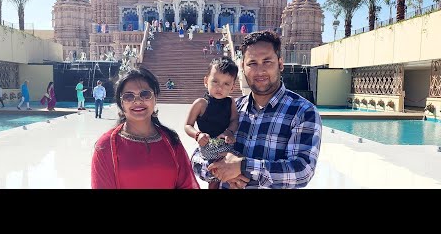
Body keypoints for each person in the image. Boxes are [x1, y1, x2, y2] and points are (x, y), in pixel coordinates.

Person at [191, 30, 322, 189]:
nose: (260, 71)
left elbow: (302, 171)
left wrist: (243, 167)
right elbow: (197, 159)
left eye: (267, 61)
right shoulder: (233, 107)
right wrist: (220, 170)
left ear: (280, 64)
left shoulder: (302, 112)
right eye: (252, 63)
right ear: (242, 67)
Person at [91, 67, 200, 189]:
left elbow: (187, 185)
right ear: (121, 103)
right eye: (128, 96)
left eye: (145, 94)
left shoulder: (170, 140)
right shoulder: (107, 146)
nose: (137, 101)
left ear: (155, 98)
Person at [185, 57, 239, 189]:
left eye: (226, 84)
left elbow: (234, 120)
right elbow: (188, 125)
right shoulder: (201, 103)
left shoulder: (230, 102)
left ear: (233, 87)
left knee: (236, 174)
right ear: (206, 81)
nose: (220, 87)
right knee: (214, 177)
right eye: (215, 81)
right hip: (208, 147)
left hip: (226, 145)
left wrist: (229, 132)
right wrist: (197, 135)